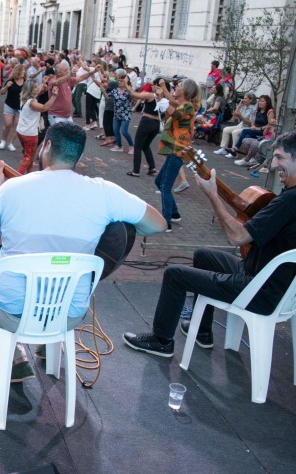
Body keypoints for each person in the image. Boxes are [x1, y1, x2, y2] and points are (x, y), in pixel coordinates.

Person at [0, 122, 167, 379]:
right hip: (69, 313)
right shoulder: (104, 192)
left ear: (46, 146)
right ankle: (48, 345)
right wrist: (121, 229)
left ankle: (16, 357)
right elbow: (158, 225)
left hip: (12, 310)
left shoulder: (11, 189)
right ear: (79, 157)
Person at [124, 130, 296, 357]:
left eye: (280, 158)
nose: (273, 164)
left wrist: (213, 195)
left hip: (258, 289)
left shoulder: (288, 200)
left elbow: (238, 237)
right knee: (204, 255)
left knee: (174, 274)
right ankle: (202, 331)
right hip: (275, 285)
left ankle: (162, 340)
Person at [154, 78, 200, 232]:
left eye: (179, 86)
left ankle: (166, 223)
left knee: (165, 187)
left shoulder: (187, 107)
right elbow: (173, 104)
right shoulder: (184, 104)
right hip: (175, 149)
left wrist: (162, 99)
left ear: (185, 91)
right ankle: (174, 213)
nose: (177, 87)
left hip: (179, 150)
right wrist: (163, 94)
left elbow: (176, 114)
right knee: (159, 181)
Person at [126, 78, 169, 177]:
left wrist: (128, 86)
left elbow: (135, 95)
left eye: (153, 85)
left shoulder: (151, 95)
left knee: (138, 146)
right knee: (146, 146)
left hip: (146, 121)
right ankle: (152, 168)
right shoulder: (164, 99)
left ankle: (136, 170)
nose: (152, 87)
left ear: (157, 86)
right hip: (156, 124)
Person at [15, 79, 58, 174]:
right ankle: (17, 176)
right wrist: (54, 96)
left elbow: (38, 92)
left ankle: (29, 173)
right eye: (35, 87)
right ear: (30, 90)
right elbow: (44, 108)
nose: (37, 88)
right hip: (30, 134)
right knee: (29, 156)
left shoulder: (24, 98)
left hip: (21, 131)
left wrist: (43, 82)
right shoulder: (31, 102)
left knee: (29, 154)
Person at [215, 92, 257, 156]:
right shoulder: (244, 106)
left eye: (245, 99)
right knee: (226, 129)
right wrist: (239, 106)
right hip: (241, 125)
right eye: (243, 98)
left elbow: (250, 123)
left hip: (248, 127)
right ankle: (224, 148)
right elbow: (235, 116)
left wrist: (241, 117)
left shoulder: (253, 109)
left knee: (235, 132)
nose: (243, 100)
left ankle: (234, 152)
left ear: (251, 100)